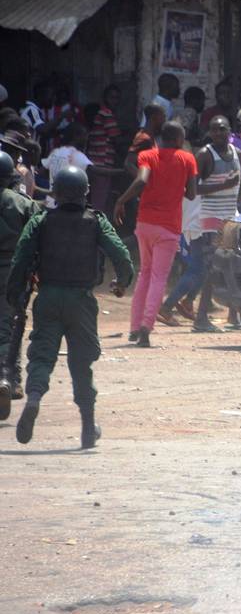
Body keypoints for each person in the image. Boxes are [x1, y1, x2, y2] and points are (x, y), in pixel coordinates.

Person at [11, 166, 133, 448]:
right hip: (82, 301)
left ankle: (34, 399)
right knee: (81, 364)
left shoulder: (41, 221)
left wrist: (14, 294)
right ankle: (88, 427)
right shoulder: (96, 221)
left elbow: (21, 258)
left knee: (41, 357)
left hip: (49, 297)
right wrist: (122, 281)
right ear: (85, 192)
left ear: (54, 193)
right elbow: (121, 255)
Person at [114, 121, 198, 348]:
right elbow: (191, 194)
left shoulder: (148, 156)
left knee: (145, 274)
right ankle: (146, 327)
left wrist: (121, 200)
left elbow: (142, 179)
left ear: (162, 138)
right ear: (180, 139)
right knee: (159, 277)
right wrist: (176, 185)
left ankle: (134, 327)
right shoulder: (187, 159)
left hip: (145, 224)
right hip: (169, 227)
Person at [157, 115, 241, 331]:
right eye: (215, 130)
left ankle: (230, 315)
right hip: (205, 219)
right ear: (210, 132)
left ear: (230, 130)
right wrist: (223, 186)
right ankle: (189, 313)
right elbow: (192, 190)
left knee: (223, 265)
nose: (219, 133)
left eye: (223, 129)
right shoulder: (204, 156)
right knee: (205, 268)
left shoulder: (236, 154)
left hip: (228, 218)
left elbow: (239, 187)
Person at [0, 151, 37, 412]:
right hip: (12, 274)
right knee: (11, 327)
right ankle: (8, 378)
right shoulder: (23, 203)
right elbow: (38, 239)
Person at [86, 85, 125, 212]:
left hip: (95, 161)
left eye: (117, 98)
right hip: (102, 163)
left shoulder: (102, 113)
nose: (115, 101)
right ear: (105, 98)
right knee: (99, 202)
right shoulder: (106, 114)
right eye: (112, 98)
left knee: (96, 199)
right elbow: (116, 139)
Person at [41, 124, 92, 206]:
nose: (86, 139)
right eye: (84, 135)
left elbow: (42, 172)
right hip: (68, 205)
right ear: (76, 136)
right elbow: (95, 171)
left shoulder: (55, 152)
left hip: (50, 202)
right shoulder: (79, 156)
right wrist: (119, 172)